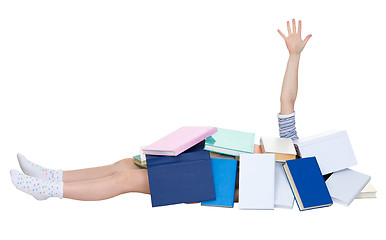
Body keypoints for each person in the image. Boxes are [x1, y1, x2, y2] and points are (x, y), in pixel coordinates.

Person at [10, 19, 311, 201]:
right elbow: (287, 102)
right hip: (203, 159)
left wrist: (214, 194)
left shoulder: (299, 183)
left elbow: (249, 195)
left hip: (209, 180)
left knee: (126, 181)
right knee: (125, 164)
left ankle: (51, 190)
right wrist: (294, 56)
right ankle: (53, 178)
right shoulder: (294, 146)